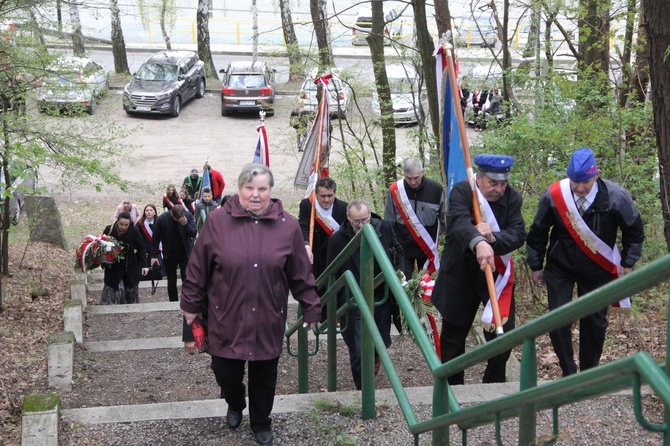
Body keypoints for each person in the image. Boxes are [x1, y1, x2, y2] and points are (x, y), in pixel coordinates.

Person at [181, 163, 320, 446]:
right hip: (225, 317)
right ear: (239, 189)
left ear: (270, 191)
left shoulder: (288, 225)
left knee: (265, 376)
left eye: (262, 189)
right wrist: (191, 312)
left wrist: (311, 306)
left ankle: (261, 421)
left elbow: (300, 273)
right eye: (249, 188)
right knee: (225, 372)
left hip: (267, 316)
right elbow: (197, 271)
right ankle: (234, 401)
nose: (255, 195)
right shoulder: (218, 222)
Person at [526, 147, 644, 377]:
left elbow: (634, 230)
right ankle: (569, 373)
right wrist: (536, 265)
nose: (580, 188)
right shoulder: (554, 196)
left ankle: (588, 374)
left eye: (585, 182)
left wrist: (628, 261)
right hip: (561, 266)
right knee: (558, 319)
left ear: (596, 175)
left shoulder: (616, 197)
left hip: (597, 269)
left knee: (595, 322)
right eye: (575, 182)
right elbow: (538, 231)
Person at [431, 154, 526, 385]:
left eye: (502, 184)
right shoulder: (463, 192)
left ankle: (493, 385)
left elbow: (518, 233)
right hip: (461, 272)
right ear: (480, 178)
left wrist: (493, 238)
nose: (499, 189)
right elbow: (458, 222)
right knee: (454, 333)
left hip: (496, 272)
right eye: (493, 183)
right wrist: (478, 241)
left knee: (502, 334)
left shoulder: (512, 198)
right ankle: (452, 387)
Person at [326, 199, 404, 390]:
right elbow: (331, 274)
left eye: (365, 220)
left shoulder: (384, 227)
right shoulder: (337, 239)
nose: (361, 225)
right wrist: (334, 309)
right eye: (357, 222)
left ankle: (375, 356)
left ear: (370, 216)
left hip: (381, 295)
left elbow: (398, 250)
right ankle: (364, 391)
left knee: (382, 340)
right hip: (354, 300)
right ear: (348, 219)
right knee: (359, 349)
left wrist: (400, 271)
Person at [384, 158, 444, 330]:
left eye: (416, 177)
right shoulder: (396, 191)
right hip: (402, 248)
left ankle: (431, 319)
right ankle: (408, 322)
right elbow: (388, 220)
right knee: (404, 286)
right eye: (409, 178)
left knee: (430, 286)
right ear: (404, 175)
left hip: (427, 249)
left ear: (422, 173)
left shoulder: (436, 189)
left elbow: (444, 218)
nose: (413, 182)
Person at [298, 177, 348, 318]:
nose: (326, 200)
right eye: (323, 196)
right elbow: (303, 226)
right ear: (317, 195)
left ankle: (334, 316)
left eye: (330, 196)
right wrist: (306, 245)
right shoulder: (308, 205)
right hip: (316, 254)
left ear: (335, 194)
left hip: (335, 255)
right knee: (316, 285)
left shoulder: (343, 208)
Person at [100, 211, 149, 304]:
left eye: (126, 225)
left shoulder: (134, 231)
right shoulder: (109, 229)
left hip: (129, 266)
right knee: (113, 289)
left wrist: (144, 265)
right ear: (117, 221)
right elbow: (102, 245)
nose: (123, 227)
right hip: (113, 267)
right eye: (121, 224)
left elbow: (141, 247)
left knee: (130, 290)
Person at [151, 204, 196, 302]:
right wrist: (154, 255)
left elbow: (193, 233)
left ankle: (187, 300)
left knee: (187, 279)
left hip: (185, 253)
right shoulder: (162, 219)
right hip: (169, 253)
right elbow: (155, 238)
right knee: (171, 281)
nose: (178, 221)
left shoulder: (187, 216)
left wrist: (185, 225)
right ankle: (173, 301)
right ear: (172, 214)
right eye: (176, 219)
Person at [136, 204, 165, 279]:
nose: (148, 212)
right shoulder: (140, 224)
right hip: (145, 248)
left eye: (151, 210)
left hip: (156, 249)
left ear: (155, 212)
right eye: (147, 210)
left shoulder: (159, 222)